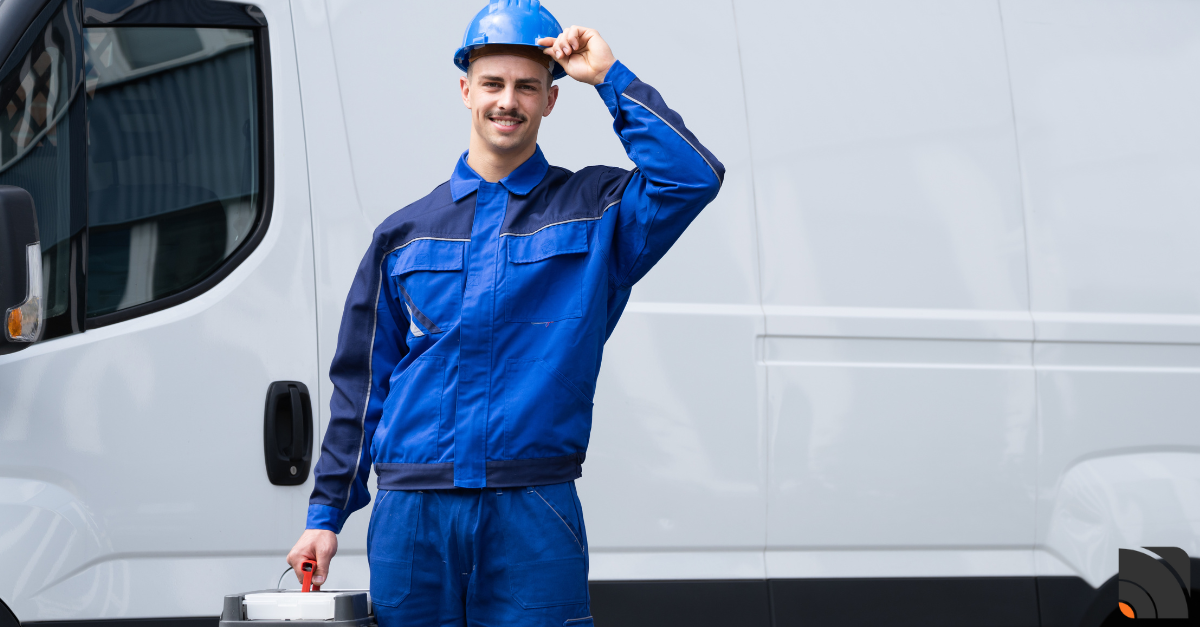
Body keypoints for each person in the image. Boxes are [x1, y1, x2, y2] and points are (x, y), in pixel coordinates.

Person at [286, 1, 723, 624]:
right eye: (492, 84)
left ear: (550, 99)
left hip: (532, 509)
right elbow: (361, 385)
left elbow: (692, 178)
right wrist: (326, 518)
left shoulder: (598, 209)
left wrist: (609, 77)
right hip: (413, 512)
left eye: (527, 85)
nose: (507, 101)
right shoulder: (404, 234)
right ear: (465, 90)